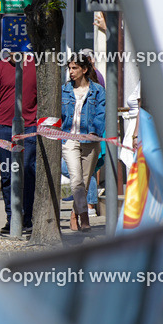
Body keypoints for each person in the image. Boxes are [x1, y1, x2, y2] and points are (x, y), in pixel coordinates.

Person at [0, 49, 38, 234]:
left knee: (28, 172)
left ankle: (27, 218)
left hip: (29, 127)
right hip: (4, 128)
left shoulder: (35, 65)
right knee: (8, 175)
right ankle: (12, 218)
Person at [61, 52, 106, 232]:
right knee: (76, 180)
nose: (71, 72)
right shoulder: (64, 89)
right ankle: (83, 216)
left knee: (85, 181)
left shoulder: (97, 90)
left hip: (90, 140)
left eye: (75, 68)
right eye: (69, 68)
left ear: (84, 69)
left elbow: (101, 114)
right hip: (69, 139)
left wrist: (94, 131)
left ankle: (74, 214)